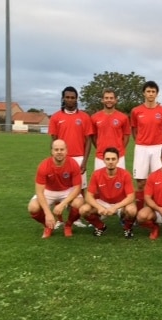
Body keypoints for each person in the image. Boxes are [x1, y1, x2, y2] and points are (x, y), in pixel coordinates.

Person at [48, 86, 93, 228]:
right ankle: (59, 219)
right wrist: (56, 158)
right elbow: (54, 141)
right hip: (62, 158)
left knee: (80, 189)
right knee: (59, 188)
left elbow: (89, 141)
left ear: (76, 99)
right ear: (63, 98)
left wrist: (84, 161)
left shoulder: (84, 117)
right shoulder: (56, 117)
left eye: (73, 97)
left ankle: (76, 218)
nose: (70, 100)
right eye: (67, 97)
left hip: (79, 158)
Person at [27, 139, 84, 238]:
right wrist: (48, 213)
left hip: (67, 190)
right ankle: (48, 226)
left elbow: (77, 188)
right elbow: (39, 192)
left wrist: (62, 204)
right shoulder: (44, 165)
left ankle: (68, 225)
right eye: (56, 149)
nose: (59, 152)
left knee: (79, 203)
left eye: (62, 149)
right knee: (33, 207)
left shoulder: (73, 163)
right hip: (49, 191)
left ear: (66, 150)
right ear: (52, 151)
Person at [131, 81, 162, 210]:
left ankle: (155, 210)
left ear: (157, 94)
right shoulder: (136, 111)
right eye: (148, 91)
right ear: (144, 93)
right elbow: (134, 129)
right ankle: (139, 211)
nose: (150, 94)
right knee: (141, 182)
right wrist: (140, 140)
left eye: (153, 92)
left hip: (157, 148)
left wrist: (161, 143)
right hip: (141, 148)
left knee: (157, 181)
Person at [79, 147, 137, 238]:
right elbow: (88, 196)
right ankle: (100, 227)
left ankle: (127, 228)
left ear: (118, 160)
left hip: (120, 203)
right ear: (104, 160)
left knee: (132, 210)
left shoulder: (125, 174)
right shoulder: (96, 174)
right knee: (83, 210)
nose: (110, 162)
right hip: (103, 203)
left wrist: (115, 207)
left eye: (113, 159)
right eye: (108, 159)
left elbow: (131, 196)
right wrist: (99, 207)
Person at [91, 88, 131, 170]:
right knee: (100, 181)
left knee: (119, 181)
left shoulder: (123, 117)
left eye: (111, 98)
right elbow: (93, 137)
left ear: (115, 100)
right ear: (102, 100)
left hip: (118, 156)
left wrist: (119, 149)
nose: (109, 100)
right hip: (100, 156)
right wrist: (100, 147)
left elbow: (126, 136)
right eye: (106, 98)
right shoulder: (94, 117)